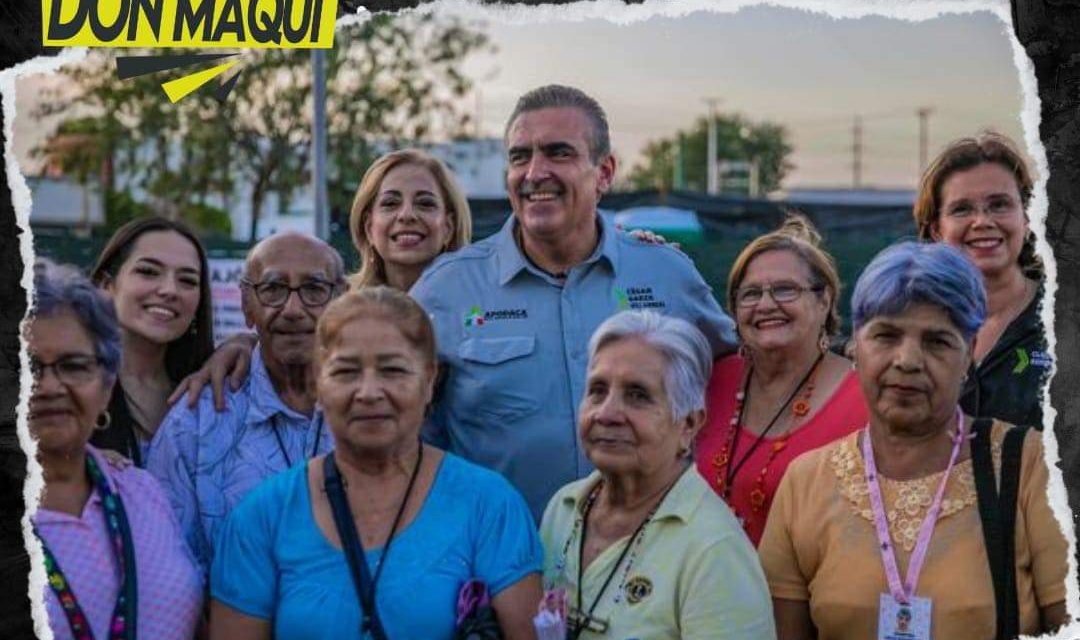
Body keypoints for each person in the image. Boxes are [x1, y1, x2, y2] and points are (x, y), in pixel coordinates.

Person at [410, 85, 737, 519]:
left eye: (558, 153)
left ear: (604, 173)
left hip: (645, 563)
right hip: (501, 565)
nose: (534, 173)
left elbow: (742, 378)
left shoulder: (666, 274)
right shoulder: (446, 290)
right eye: (520, 156)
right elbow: (408, 432)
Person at [758, 242, 1068, 639]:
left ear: (969, 353)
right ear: (855, 345)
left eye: (937, 341)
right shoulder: (805, 482)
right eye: (885, 335)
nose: (907, 360)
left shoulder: (1031, 467)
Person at [210, 287, 542, 639]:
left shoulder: (489, 506)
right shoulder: (264, 516)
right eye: (346, 372)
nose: (369, 392)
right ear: (317, 385)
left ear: (429, 381)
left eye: (393, 370)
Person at [540, 310, 774, 639]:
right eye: (597, 390)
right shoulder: (563, 508)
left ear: (689, 424)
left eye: (638, 395)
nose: (606, 413)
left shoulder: (714, 549)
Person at [145, 232, 344, 575]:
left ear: (341, 300)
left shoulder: (370, 409)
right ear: (246, 305)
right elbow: (163, 567)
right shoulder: (195, 422)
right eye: (273, 289)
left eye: (314, 289)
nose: (293, 309)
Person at [28, 263, 202, 640]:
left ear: (107, 387)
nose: (50, 387)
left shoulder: (142, 492)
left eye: (74, 366)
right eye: (26, 367)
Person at [696, 216, 867, 545]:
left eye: (785, 290)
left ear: (824, 301)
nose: (765, 304)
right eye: (750, 294)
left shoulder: (863, 397)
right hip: (705, 589)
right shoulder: (711, 380)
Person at [913, 131, 1048, 428]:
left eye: (999, 205)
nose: (983, 221)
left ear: (1027, 219)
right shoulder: (907, 322)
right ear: (937, 230)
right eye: (962, 209)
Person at [89, 216, 214, 466]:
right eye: (148, 272)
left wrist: (243, 345)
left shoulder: (214, 391)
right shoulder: (60, 384)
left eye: (187, 280)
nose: (170, 290)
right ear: (106, 285)